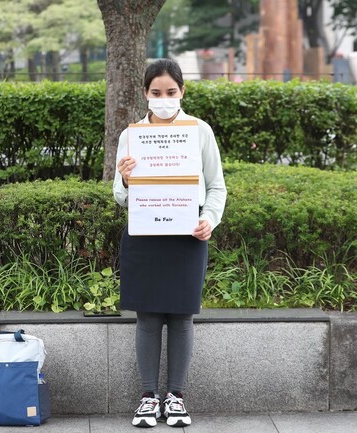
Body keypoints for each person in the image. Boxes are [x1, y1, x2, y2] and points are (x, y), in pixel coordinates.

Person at [113, 58, 226, 428]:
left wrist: (208, 219)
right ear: (145, 94)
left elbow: (216, 186)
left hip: (187, 233)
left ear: (182, 92)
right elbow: (119, 194)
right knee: (147, 316)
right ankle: (148, 397)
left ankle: (175, 396)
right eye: (156, 92)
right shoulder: (131, 136)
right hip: (145, 231)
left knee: (181, 316)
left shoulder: (199, 131)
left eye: (171, 92)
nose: (163, 99)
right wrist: (127, 181)